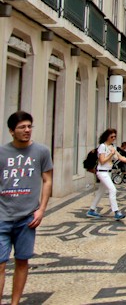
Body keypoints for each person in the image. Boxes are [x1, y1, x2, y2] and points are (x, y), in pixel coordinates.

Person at [0, 111, 53, 305]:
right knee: (0, 263)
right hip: (2, 216)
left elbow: (47, 180)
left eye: (30, 126)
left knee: (22, 261)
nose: (27, 130)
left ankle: (15, 303)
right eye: (22, 127)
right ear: (11, 131)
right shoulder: (2, 153)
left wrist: (41, 209)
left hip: (27, 217)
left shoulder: (41, 152)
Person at [87, 129, 126, 220]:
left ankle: (92, 210)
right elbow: (102, 161)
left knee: (100, 193)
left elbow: (120, 157)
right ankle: (116, 212)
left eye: (114, 137)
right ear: (107, 137)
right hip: (102, 172)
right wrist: (111, 154)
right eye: (111, 137)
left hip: (108, 172)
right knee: (113, 190)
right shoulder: (102, 146)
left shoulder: (112, 147)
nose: (113, 138)